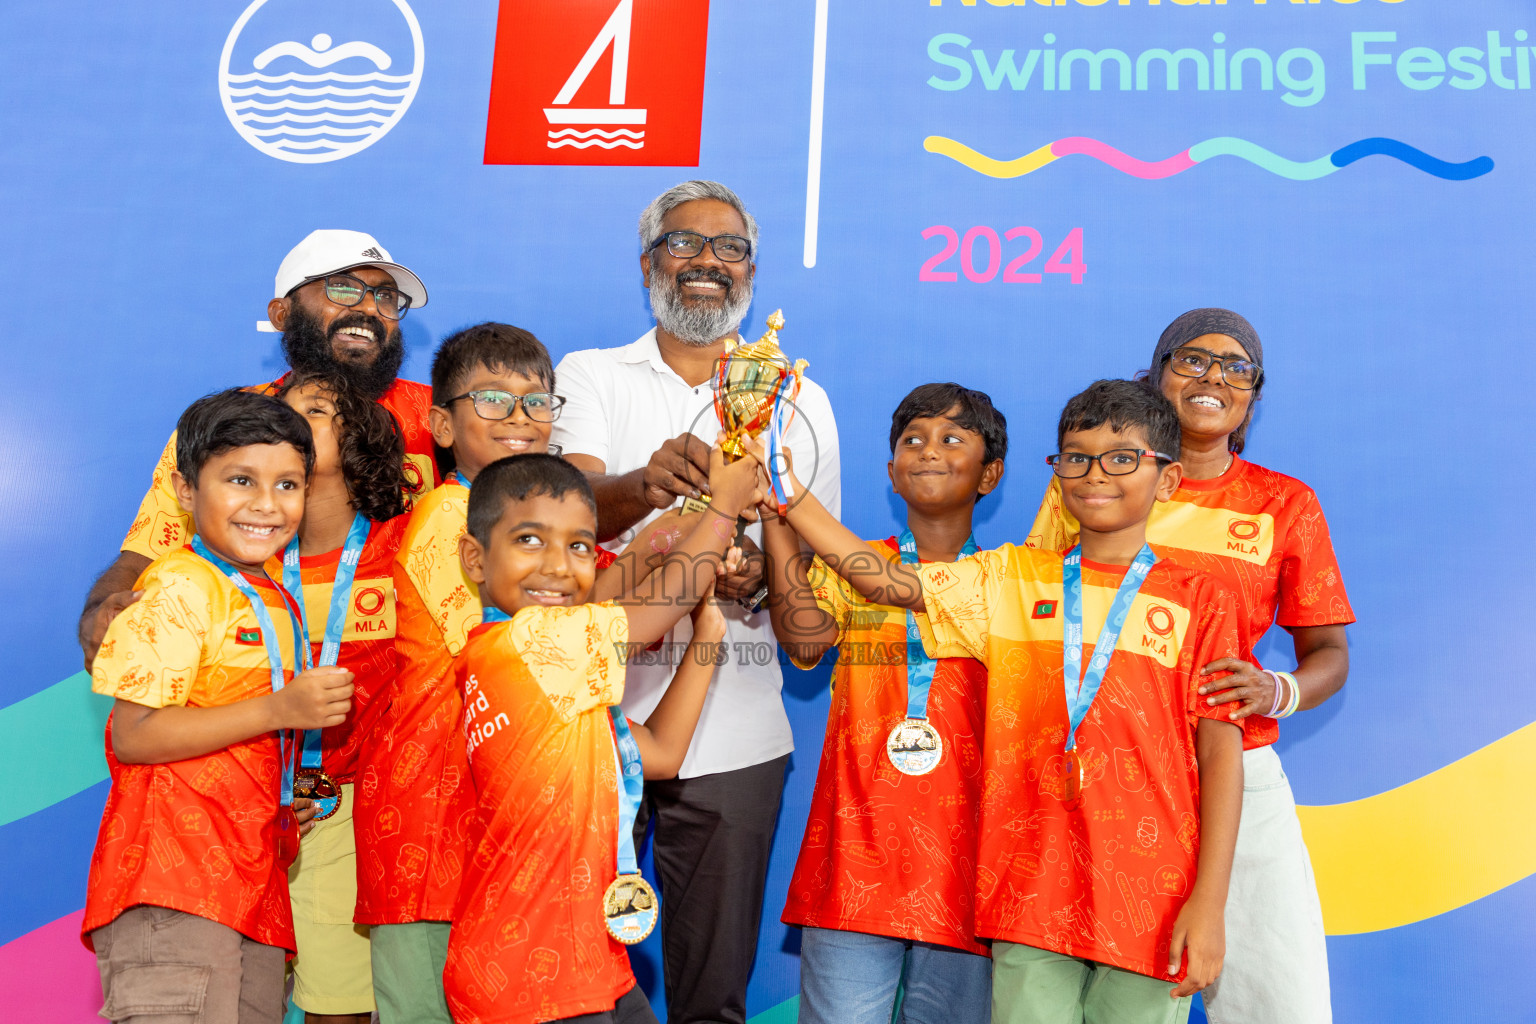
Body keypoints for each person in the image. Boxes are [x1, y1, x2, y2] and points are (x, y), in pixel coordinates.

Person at [760, 379, 1246, 1023]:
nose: (1095, 473)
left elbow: (1221, 758)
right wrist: (787, 501)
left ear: (1168, 479)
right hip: (1026, 901)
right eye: (1077, 457)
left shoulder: (1202, 602)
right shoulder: (1012, 578)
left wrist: (1209, 906)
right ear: (1058, 475)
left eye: (1121, 458)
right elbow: (885, 581)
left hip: (1149, 903)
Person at [553, 180, 841, 1024]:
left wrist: (754, 568)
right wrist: (646, 487)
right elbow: (563, 514)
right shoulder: (590, 376)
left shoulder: (800, 396)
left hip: (737, 733)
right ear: (648, 263)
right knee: (570, 982)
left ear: (752, 271)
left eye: (730, 248)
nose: (707, 261)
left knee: (713, 999)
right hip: (591, 726)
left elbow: (813, 576)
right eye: (684, 244)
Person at [1026, 310, 1352, 1024]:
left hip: (1235, 771)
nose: (1214, 378)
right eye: (1194, 360)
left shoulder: (1284, 504)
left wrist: (1278, 689)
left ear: (1252, 399)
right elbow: (1040, 613)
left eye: (1239, 369)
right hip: (1109, 776)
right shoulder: (1093, 483)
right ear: (1156, 374)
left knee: (1281, 1006)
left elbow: (1330, 655)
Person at [444, 451, 760, 1024]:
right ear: (475, 557)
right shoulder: (521, 646)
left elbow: (660, 755)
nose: (560, 567)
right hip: (528, 977)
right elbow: (651, 613)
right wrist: (725, 507)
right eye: (530, 541)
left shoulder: (563, 677)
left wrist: (708, 630)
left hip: (594, 962)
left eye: (581, 545)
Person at [83, 388, 356, 1024]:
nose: (267, 505)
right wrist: (277, 711)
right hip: (174, 882)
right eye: (240, 480)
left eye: (289, 484)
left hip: (253, 883)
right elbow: (135, 736)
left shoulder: (265, 589)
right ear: (183, 489)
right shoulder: (178, 585)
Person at [77, 228, 435, 670]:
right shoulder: (226, 423)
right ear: (281, 313)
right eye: (344, 288)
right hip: (251, 688)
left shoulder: (438, 419)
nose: (367, 308)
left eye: (385, 297)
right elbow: (150, 548)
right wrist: (100, 608)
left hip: (407, 701)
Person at [760, 384, 1004, 1024]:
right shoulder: (849, 567)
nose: (928, 452)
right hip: (856, 853)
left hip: (968, 860)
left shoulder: (1015, 575)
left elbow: (886, 584)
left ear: (992, 474)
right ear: (892, 472)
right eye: (912, 441)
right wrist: (771, 518)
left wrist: (792, 496)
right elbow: (805, 645)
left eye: (953, 439)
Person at [274, 369, 411, 1024]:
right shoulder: (246, 564)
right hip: (283, 806)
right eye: (283, 413)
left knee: (364, 1008)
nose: (292, 424)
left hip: (386, 806)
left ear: (355, 433)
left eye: (316, 409)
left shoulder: (407, 545)